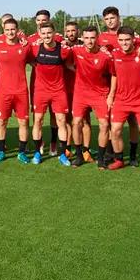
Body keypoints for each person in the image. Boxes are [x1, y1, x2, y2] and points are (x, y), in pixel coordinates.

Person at [98, 6, 140, 164]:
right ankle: (112, 152)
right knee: (112, 121)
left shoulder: (131, 34)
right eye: (107, 19)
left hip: (131, 84)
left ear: (118, 18)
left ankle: (132, 153)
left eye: (112, 18)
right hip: (110, 82)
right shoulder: (101, 37)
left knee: (132, 120)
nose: (110, 21)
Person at [68, 26, 115, 169]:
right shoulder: (76, 51)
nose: (89, 41)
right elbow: (65, 60)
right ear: (82, 37)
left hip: (100, 94)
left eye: (92, 38)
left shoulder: (105, 56)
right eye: (87, 38)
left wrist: (111, 95)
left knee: (104, 125)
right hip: (80, 94)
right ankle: (78, 156)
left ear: (97, 38)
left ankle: (100, 158)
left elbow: (114, 75)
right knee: (76, 123)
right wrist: (77, 69)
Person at [108, 26, 140, 171]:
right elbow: (114, 75)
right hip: (121, 100)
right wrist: (111, 95)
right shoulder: (114, 54)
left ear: (134, 39)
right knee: (115, 130)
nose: (124, 43)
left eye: (127, 40)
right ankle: (119, 159)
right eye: (121, 40)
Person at [30, 22, 71, 165]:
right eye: (44, 33)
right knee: (38, 121)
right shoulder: (35, 47)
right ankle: (37, 153)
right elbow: (27, 56)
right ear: (39, 34)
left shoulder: (63, 49)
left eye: (49, 33)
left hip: (58, 92)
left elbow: (72, 62)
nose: (46, 36)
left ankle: (62, 155)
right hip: (41, 91)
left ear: (54, 33)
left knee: (61, 122)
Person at [0, 18, 31, 163]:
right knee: (2, 122)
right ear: (4, 31)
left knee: (23, 123)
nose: (10, 32)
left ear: (17, 30)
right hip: (3, 91)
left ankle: (22, 152)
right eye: (7, 30)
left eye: (13, 29)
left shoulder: (25, 47)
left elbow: (36, 58)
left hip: (21, 91)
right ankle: (1, 151)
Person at [27, 10, 64, 156]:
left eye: (44, 19)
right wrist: (34, 64)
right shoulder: (30, 39)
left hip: (57, 84)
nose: (41, 22)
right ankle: (40, 143)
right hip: (38, 82)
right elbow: (26, 56)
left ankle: (54, 143)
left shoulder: (58, 37)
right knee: (38, 116)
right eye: (38, 20)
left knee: (56, 116)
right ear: (36, 21)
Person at [62, 22, 92, 161]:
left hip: (83, 89)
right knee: (68, 120)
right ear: (65, 32)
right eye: (68, 31)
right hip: (66, 88)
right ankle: (68, 148)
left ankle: (86, 150)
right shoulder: (62, 46)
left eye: (73, 30)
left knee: (85, 121)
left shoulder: (85, 45)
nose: (71, 33)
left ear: (78, 31)